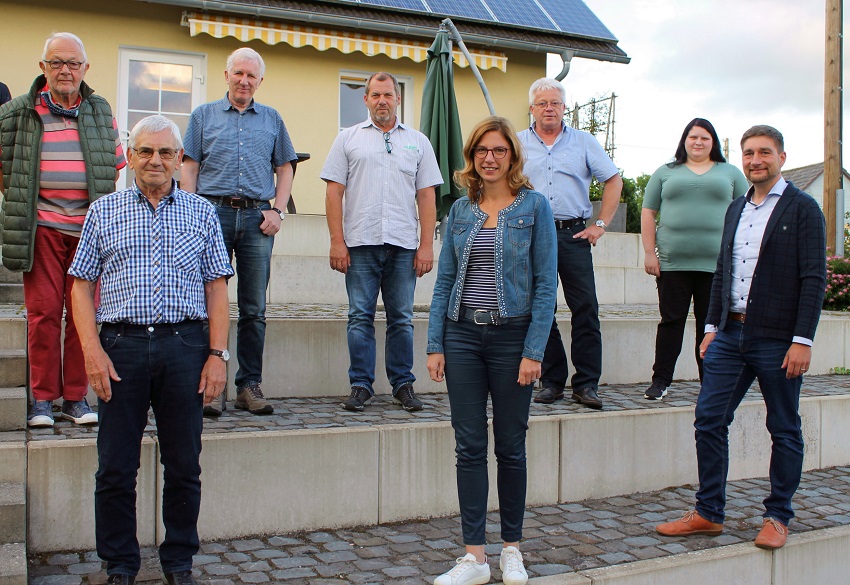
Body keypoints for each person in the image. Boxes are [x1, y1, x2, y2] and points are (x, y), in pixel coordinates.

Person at [69, 115, 233, 585]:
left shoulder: (201, 212)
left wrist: (217, 356)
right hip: (120, 347)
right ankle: (119, 564)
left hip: (185, 345)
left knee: (184, 463)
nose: (155, 160)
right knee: (115, 466)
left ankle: (178, 562)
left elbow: (217, 288)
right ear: (131, 156)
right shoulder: (104, 211)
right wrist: (91, 351)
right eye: (145, 151)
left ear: (180, 159)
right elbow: (80, 287)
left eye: (165, 152)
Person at [656, 125, 826, 550]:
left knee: (784, 427)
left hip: (778, 338)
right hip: (731, 335)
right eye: (749, 153)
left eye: (764, 153)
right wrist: (712, 329)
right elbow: (723, 273)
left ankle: (777, 516)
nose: (755, 160)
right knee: (709, 420)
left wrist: (802, 339)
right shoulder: (735, 208)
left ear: (781, 157)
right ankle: (709, 512)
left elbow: (814, 278)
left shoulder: (803, 208)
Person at [427, 116, 557, 585]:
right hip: (462, 337)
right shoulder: (460, 211)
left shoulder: (535, 207)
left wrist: (533, 351)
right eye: (482, 150)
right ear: (472, 156)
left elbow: (546, 285)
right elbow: (445, 281)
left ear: (513, 156)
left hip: (512, 339)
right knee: (469, 447)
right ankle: (474, 558)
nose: (489, 158)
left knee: (512, 447)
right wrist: (436, 343)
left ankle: (512, 549)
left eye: (499, 150)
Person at [0, 32, 125, 428]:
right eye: (56, 63)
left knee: (83, 315)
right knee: (43, 314)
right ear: (43, 68)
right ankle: (41, 399)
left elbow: (114, 166)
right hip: (40, 227)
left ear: (85, 69)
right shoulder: (16, 112)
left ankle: (75, 398)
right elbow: (4, 171)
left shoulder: (101, 110)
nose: (65, 70)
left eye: (73, 63)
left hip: (89, 230)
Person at [181, 47, 296, 417]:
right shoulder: (202, 116)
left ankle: (248, 385)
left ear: (260, 81)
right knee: (203, 304)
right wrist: (188, 212)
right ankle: (207, 388)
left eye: (252, 76)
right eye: (239, 73)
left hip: (257, 220)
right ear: (226, 75)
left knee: (254, 309)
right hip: (211, 214)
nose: (245, 81)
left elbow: (286, 168)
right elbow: (190, 167)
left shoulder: (273, 119)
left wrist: (278, 210)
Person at [322, 71, 442, 412]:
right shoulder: (348, 139)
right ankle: (361, 385)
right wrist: (336, 241)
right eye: (375, 95)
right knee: (359, 316)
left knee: (401, 318)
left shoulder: (418, 141)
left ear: (398, 98)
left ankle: (403, 384)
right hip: (360, 242)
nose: (382, 101)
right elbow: (333, 192)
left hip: (404, 245)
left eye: (388, 95)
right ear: (366, 99)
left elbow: (427, 195)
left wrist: (426, 245)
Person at [517, 77, 622, 410]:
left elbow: (613, 179)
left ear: (564, 108)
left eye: (556, 103)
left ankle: (587, 384)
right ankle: (552, 381)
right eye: (542, 103)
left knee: (586, 308)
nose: (549, 108)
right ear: (532, 108)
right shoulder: (517, 143)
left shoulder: (584, 142)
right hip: (531, 234)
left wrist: (600, 224)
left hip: (573, 233)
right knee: (539, 309)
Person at [641, 118, 748, 400]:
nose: (698, 142)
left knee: (709, 326)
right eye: (693, 137)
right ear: (684, 141)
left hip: (718, 266)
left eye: (704, 137)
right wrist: (650, 253)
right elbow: (648, 212)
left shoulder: (731, 173)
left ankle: (709, 384)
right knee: (671, 323)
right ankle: (660, 381)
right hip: (673, 263)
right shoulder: (665, 172)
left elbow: (747, 212)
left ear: (713, 142)